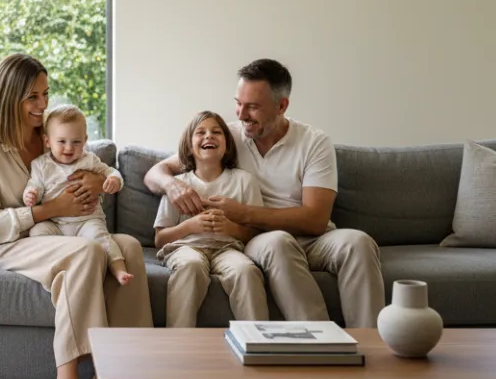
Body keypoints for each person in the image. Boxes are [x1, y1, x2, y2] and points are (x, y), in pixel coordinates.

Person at [0, 53, 153, 379]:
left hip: (58, 235)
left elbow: (93, 168)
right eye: (32, 97)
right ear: (9, 97)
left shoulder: (52, 135)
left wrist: (99, 182)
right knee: (85, 253)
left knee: (127, 247)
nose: (43, 104)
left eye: (45, 93)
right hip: (5, 242)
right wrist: (49, 209)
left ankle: (109, 378)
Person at [144, 59, 384, 328]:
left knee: (359, 243)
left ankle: (372, 345)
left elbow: (316, 219)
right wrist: (172, 185)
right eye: (239, 103)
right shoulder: (229, 136)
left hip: (313, 238)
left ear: (282, 106)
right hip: (263, 239)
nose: (241, 114)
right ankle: (320, 340)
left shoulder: (314, 142)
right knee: (278, 241)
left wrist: (244, 212)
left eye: (253, 107)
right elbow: (158, 171)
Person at [154, 110, 268, 326]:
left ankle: (258, 343)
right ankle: (178, 343)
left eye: (216, 132)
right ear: (189, 146)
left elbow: (255, 233)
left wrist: (231, 228)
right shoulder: (178, 185)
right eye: (200, 132)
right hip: (186, 248)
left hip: (228, 249)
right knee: (191, 266)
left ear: (227, 145)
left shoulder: (244, 181)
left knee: (246, 270)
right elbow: (160, 239)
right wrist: (189, 225)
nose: (208, 136)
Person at [23, 104, 132, 286]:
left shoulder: (89, 160)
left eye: (76, 142)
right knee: (37, 232)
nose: (69, 148)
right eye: (62, 141)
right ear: (47, 141)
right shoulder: (41, 165)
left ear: (85, 140)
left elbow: (110, 171)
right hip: (55, 223)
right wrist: (31, 194)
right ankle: (52, 268)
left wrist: (114, 179)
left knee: (100, 237)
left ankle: (119, 269)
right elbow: (34, 184)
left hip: (86, 221)